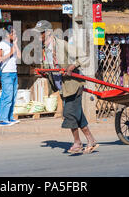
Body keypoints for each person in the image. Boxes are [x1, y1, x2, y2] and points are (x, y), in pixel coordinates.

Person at [34, 20, 98, 154]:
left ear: (48, 32)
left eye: (41, 33)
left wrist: (72, 66)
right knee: (77, 115)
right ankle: (91, 140)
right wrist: (43, 73)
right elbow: (50, 69)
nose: (39, 36)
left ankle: (77, 143)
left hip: (73, 85)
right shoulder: (45, 50)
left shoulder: (62, 45)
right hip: (63, 87)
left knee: (69, 114)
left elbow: (84, 56)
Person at [0, 25, 21, 126]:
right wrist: (11, 53)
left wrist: (15, 44)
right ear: (8, 34)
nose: (15, 35)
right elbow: (0, 59)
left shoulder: (12, 44)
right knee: (7, 96)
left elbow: (19, 57)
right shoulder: (1, 45)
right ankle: (3, 119)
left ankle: (10, 117)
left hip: (14, 72)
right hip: (6, 73)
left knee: (13, 96)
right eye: (13, 33)